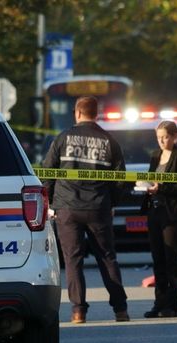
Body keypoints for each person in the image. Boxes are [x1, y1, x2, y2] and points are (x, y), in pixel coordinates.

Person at [42, 95, 130, 324]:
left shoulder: (62, 138)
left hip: (67, 209)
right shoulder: (109, 140)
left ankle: (78, 311)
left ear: (77, 113)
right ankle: (120, 310)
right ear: (96, 114)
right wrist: (111, 202)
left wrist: (50, 203)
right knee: (107, 257)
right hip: (98, 207)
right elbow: (121, 179)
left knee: (73, 260)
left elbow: (47, 172)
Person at [141, 120, 177, 318]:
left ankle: (173, 303)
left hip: (172, 212)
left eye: (165, 137)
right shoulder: (155, 156)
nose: (162, 141)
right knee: (157, 257)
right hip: (154, 211)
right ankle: (159, 303)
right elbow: (151, 177)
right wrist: (147, 185)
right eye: (158, 137)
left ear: (174, 136)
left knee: (172, 257)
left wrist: (161, 188)